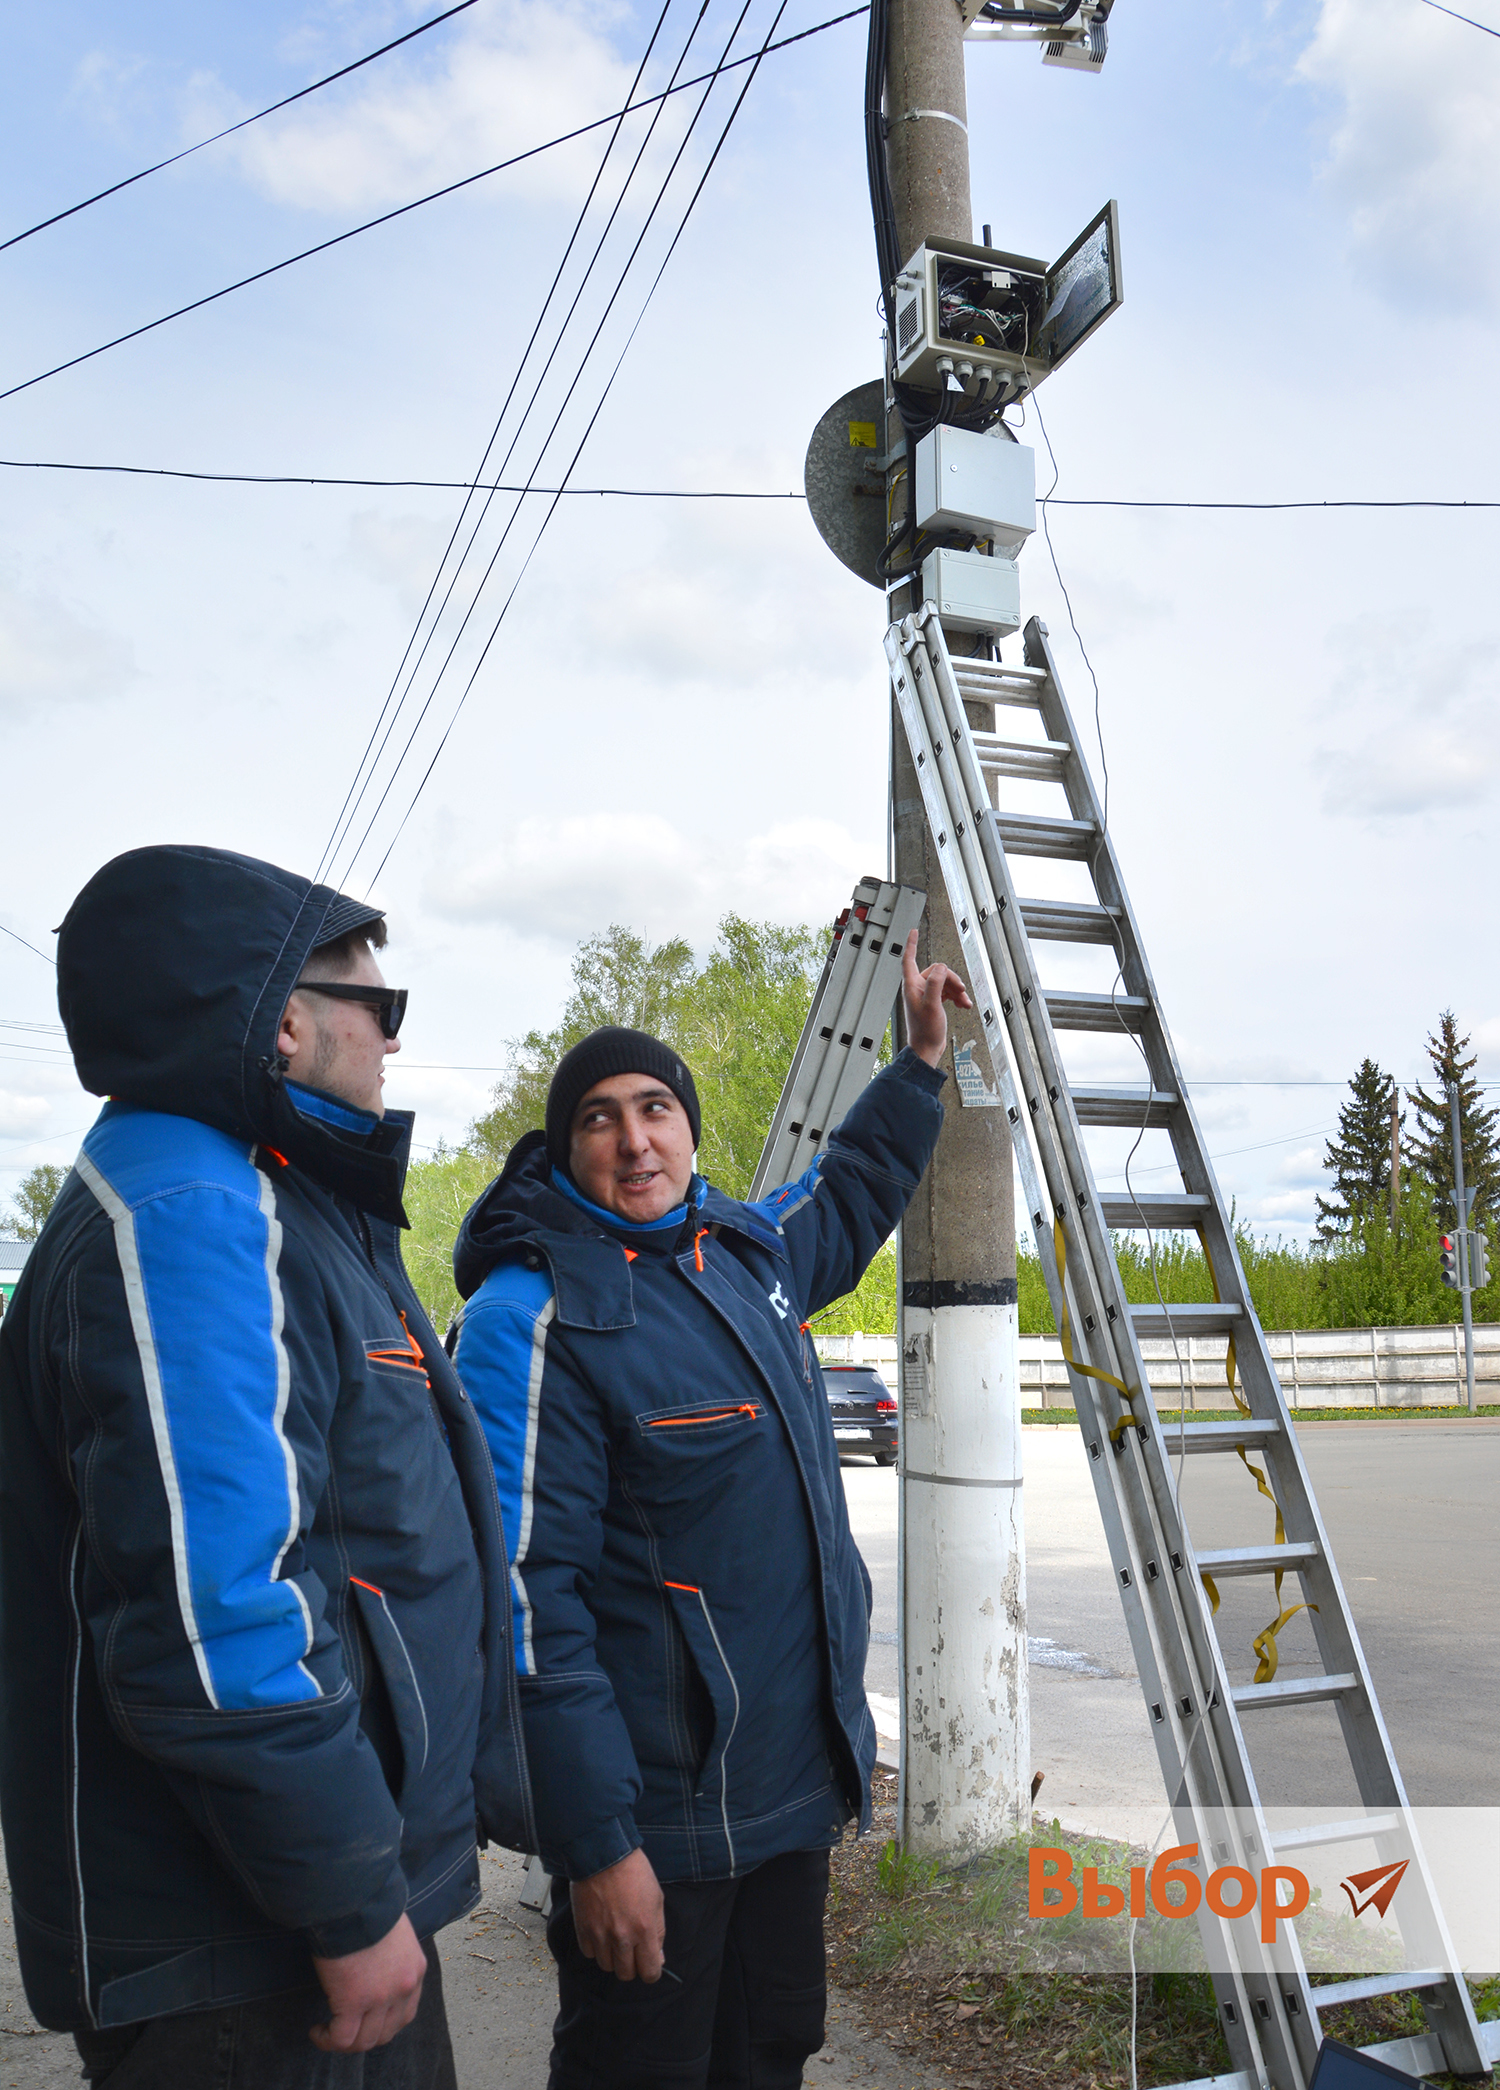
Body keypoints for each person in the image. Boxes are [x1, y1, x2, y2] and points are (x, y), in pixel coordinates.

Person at [0, 845, 531, 2088]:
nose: (394, 1042)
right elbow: (214, 1608)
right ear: (285, 1024)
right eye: (378, 1005)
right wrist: (345, 1897)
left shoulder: (265, 1199)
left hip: (285, 1918)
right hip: (251, 1954)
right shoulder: (195, 1214)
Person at [452, 929, 970, 2089]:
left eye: (654, 1108)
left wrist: (920, 1063)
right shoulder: (533, 1319)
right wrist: (596, 1849)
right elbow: (527, 1605)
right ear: (564, 1146)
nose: (635, 1140)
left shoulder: (741, 1254)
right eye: (598, 1117)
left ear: (688, 1124)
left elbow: (850, 1192)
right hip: (659, 1829)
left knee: (768, 2056)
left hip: (785, 1798)